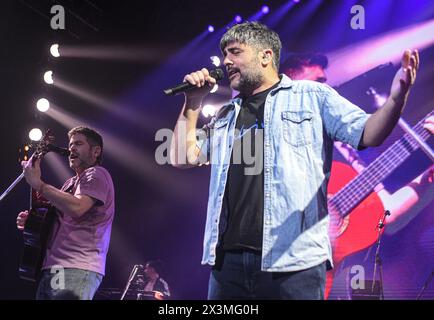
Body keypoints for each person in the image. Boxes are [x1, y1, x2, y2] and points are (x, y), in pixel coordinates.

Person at [170, 21, 419, 300]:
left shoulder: (314, 96)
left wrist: (397, 98)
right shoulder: (227, 113)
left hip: (294, 265)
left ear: (265, 56)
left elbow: (369, 133)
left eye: (234, 52)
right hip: (228, 265)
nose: (226, 60)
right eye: (225, 53)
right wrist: (192, 103)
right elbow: (182, 157)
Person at [282, 52, 433, 299]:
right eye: (318, 82)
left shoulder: (341, 145)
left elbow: (386, 210)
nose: (326, 89)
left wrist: (427, 177)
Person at [17, 126, 115, 300]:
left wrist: (39, 184)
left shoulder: (97, 174)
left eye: (78, 143)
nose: (72, 148)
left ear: (96, 151)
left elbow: (78, 208)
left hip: (77, 267)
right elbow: (60, 221)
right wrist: (33, 221)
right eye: (70, 144)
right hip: (54, 267)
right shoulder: (70, 183)